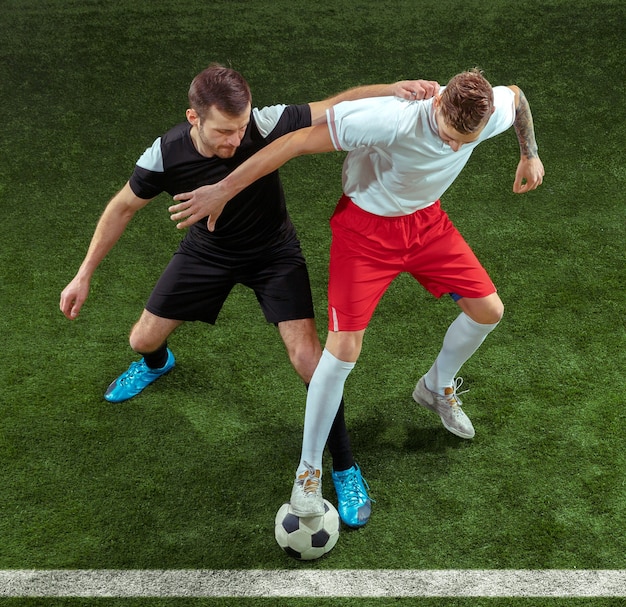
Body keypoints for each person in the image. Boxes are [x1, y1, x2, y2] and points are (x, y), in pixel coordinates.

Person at [59, 63, 437, 527]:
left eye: (240, 129)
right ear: (194, 118)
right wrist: (83, 275)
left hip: (274, 254)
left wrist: (389, 89)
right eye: (223, 132)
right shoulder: (166, 154)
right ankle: (159, 364)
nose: (235, 142)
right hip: (207, 254)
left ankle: (344, 465)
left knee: (309, 361)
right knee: (141, 341)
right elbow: (121, 209)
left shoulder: (261, 123)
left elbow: (332, 106)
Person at [167, 68, 545, 516]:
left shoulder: (488, 110)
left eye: (468, 141)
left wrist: (529, 154)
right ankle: (308, 472)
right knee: (343, 351)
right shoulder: (387, 118)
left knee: (488, 311)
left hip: (427, 225)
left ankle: (436, 386)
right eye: (449, 137)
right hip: (364, 232)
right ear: (438, 106)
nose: (455, 147)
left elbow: (518, 98)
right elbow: (295, 142)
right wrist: (223, 190)